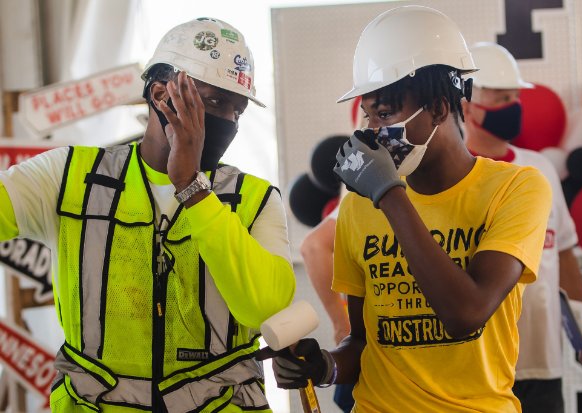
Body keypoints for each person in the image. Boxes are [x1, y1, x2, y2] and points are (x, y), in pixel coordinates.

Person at [0, 18, 296, 412]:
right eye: (214, 102)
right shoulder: (71, 177)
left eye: (237, 111)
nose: (228, 121)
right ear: (160, 95)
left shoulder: (254, 199)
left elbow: (266, 306)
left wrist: (192, 187)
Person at [268, 6, 553, 412]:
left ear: (438, 107)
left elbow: (466, 313)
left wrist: (389, 194)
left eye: (385, 114)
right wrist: (326, 365)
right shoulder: (358, 206)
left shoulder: (516, 188)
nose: (373, 132)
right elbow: (366, 342)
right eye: (368, 115)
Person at [462, 42, 582, 413]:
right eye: (501, 97)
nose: (513, 106)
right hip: (475, 370)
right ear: (466, 104)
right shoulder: (452, 176)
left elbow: (563, 253)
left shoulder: (539, 169)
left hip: (543, 365)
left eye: (515, 97)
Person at [300, 198, 354, 413]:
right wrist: (344, 328)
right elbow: (314, 247)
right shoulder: (373, 190)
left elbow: (313, 247)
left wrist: (342, 327)